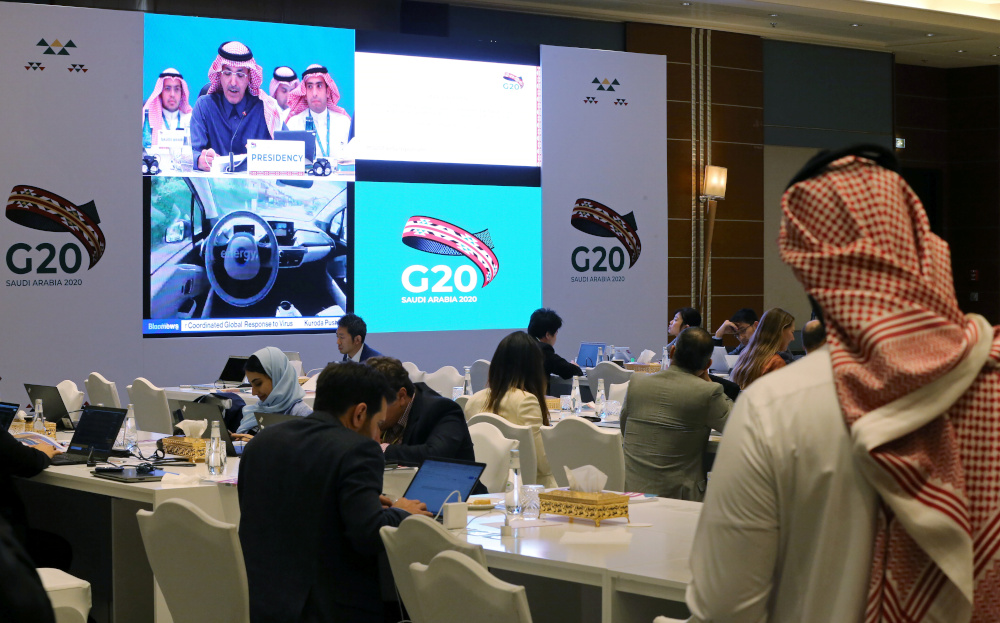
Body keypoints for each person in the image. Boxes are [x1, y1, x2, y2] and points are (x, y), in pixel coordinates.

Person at [686, 146, 1000, 622]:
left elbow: (724, 608)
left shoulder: (776, 407)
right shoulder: (991, 373)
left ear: (805, 264)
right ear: (921, 242)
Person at [239, 362, 431, 623]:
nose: (378, 437)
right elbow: (368, 535)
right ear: (360, 414)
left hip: (263, 605)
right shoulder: (358, 450)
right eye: (378, 424)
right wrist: (401, 512)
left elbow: (290, 508)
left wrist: (348, 501)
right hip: (329, 610)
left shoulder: (262, 442)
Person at [620, 327, 731, 501]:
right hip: (680, 499)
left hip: (633, 493)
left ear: (672, 351)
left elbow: (624, 428)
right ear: (708, 364)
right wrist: (708, 381)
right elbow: (736, 425)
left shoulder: (637, 382)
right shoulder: (708, 392)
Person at [463, 331, 557, 487]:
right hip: (528, 492)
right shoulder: (526, 401)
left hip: (484, 488)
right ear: (534, 367)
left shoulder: (473, 401)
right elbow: (543, 465)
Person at [364, 356, 477, 466]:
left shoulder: (442, 409)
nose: (370, 415)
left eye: (375, 407)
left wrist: (383, 449)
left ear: (401, 396)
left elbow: (435, 455)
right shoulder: (384, 417)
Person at [189, 41, 283, 172]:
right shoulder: (204, 107)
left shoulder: (265, 108)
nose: (233, 83)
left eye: (240, 75)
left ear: (249, 77)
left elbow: (289, 152)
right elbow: (190, 153)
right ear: (219, 75)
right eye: (227, 73)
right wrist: (199, 159)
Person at [233, 347, 312, 437]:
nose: (254, 392)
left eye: (258, 383)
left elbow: (305, 449)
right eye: (251, 385)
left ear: (278, 379)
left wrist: (259, 444)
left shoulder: (301, 414)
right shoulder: (258, 409)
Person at [283, 64, 352, 161]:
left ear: (328, 92)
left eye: (319, 86)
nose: (314, 93)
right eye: (310, 87)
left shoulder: (344, 122)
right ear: (305, 93)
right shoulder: (293, 124)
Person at [728, 307, 795, 389]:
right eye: (792, 332)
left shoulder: (746, 355)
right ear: (781, 331)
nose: (793, 338)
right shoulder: (776, 362)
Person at [527, 308, 582, 380]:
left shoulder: (521, 345)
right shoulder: (542, 350)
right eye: (556, 333)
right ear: (548, 335)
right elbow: (569, 371)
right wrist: (576, 367)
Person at [141, 68, 192, 146]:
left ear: (182, 93)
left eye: (177, 89)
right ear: (160, 92)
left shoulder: (191, 119)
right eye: (167, 89)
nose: (172, 94)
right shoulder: (146, 119)